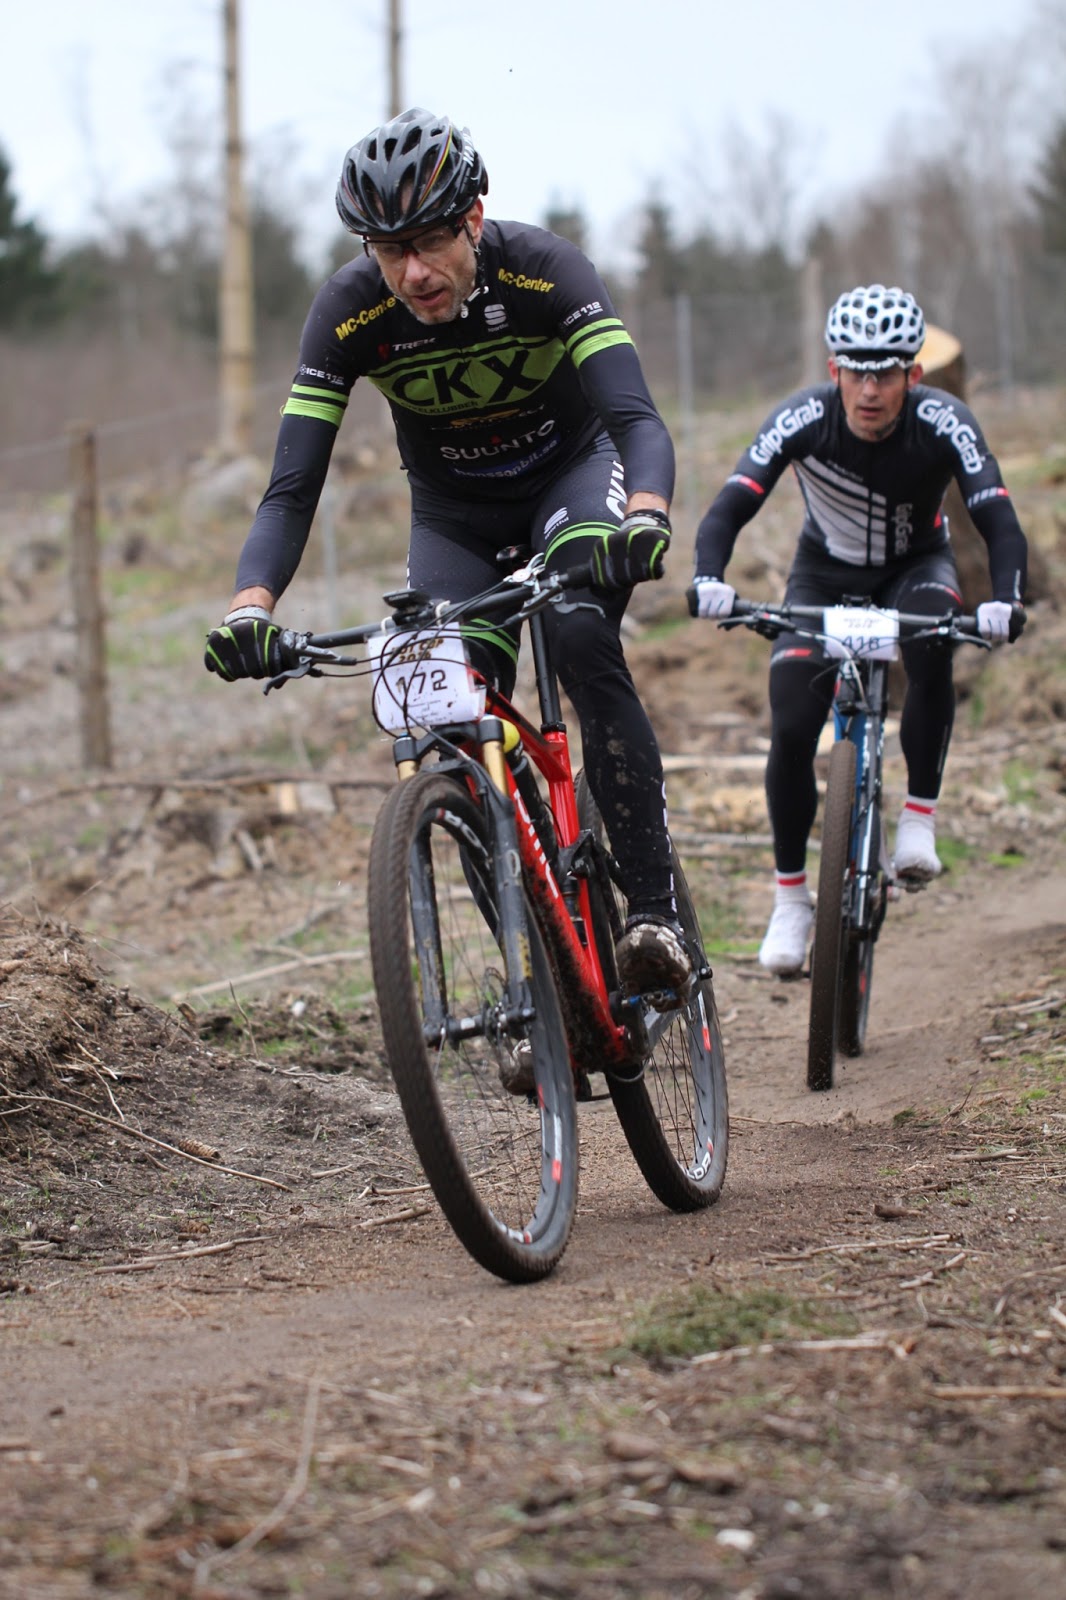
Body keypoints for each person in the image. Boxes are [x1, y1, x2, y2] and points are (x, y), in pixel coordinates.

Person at [205, 107, 691, 996]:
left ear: (474, 218)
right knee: (449, 724)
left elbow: (634, 418)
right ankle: (539, 981)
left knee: (580, 634)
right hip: (455, 518)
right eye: (389, 252)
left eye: (430, 242)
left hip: (572, 483)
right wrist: (250, 607)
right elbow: (291, 489)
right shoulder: (349, 312)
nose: (414, 273)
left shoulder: (546, 269)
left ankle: (656, 915)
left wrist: (645, 517)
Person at [691, 283, 1027, 976]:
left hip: (915, 568)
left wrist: (1007, 598)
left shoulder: (945, 420)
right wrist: (709, 579)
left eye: (886, 374)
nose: (870, 390)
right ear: (833, 369)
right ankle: (790, 900)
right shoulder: (803, 417)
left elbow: (996, 513)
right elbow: (732, 503)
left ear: (915, 375)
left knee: (932, 643)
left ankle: (918, 819)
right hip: (822, 576)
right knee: (791, 720)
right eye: (856, 371)